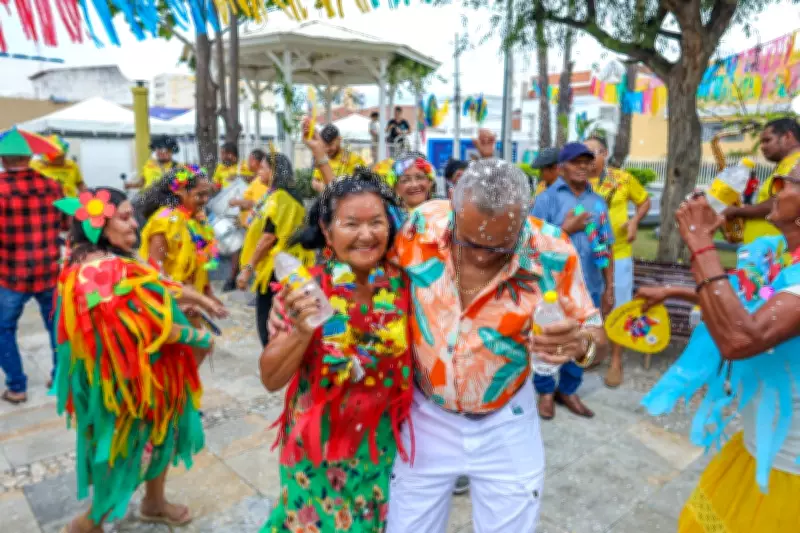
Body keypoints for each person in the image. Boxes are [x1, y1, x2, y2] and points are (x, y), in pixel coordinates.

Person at [305, 131, 606, 529]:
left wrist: (580, 347)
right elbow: (361, 260)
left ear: (525, 218)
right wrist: (308, 300)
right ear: (453, 209)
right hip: (424, 416)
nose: (481, 257)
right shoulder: (421, 227)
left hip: (507, 421)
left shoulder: (552, 250)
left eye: (498, 247)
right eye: (468, 242)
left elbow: (594, 338)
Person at [52, 187, 226, 533]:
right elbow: (150, 327)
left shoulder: (113, 261)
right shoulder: (99, 270)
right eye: (125, 218)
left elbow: (157, 289)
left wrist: (198, 304)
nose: (136, 225)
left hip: (151, 376)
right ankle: (88, 523)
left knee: (163, 435)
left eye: (134, 216)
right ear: (99, 224)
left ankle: (154, 502)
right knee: (125, 451)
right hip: (128, 385)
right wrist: (199, 336)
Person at [638, 162, 800, 532]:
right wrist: (674, 291)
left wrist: (699, 242)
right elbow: (737, 302)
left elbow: (741, 337)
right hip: (758, 444)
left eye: (782, 183)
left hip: (789, 466)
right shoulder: (777, 253)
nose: (772, 191)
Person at [259, 169, 413, 533]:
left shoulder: (404, 282)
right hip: (319, 450)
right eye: (350, 224)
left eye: (376, 222)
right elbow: (270, 378)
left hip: (381, 446)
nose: (366, 235)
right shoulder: (305, 289)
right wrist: (301, 329)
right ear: (327, 231)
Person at [531, 142, 615, 420]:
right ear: (562, 167)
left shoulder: (598, 202)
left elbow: (607, 246)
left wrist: (609, 288)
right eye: (575, 162)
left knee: (586, 339)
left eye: (586, 162)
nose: (582, 166)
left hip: (590, 288)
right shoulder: (546, 200)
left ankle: (568, 389)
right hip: (551, 290)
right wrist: (565, 229)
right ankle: (545, 391)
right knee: (548, 338)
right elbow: (530, 244)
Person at [585, 136, 651, 388]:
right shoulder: (577, 183)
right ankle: (595, 352)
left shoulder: (622, 179)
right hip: (587, 255)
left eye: (592, 152)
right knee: (591, 306)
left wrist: (634, 221)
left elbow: (644, 201)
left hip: (619, 253)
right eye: (583, 153)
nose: (587, 158)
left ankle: (615, 360)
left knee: (619, 306)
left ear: (605, 153)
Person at [0, 151, 64, 404]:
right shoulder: (53, 186)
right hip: (48, 270)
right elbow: (66, 224)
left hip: (10, 274)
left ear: (5, 159)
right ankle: (60, 378)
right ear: (28, 157)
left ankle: (17, 387)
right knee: (57, 326)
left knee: (4, 329)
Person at [237, 152, 313, 346]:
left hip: (275, 270)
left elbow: (269, 236)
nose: (259, 172)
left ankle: (274, 366)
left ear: (274, 172)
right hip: (287, 266)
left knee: (268, 325)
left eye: (263, 168)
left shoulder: (279, 197)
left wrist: (248, 269)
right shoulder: (284, 195)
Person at [136, 167, 219, 298]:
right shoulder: (164, 220)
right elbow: (155, 267)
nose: (206, 200)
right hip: (170, 303)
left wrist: (208, 295)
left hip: (193, 300)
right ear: (180, 191)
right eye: (200, 194)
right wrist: (178, 297)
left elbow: (202, 262)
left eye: (207, 194)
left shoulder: (197, 220)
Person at [723, 118, 800, 244]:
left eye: (767, 140)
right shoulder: (785, 165)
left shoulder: (797, 164)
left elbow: (778, 204)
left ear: (787, 136)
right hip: (764, 253)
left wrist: (736, 210)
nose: (762, 147)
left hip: (777, 256)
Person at [311, 124, 366, 193]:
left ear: (339, 139)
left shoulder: (354, 159)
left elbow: (365, 184)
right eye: (324, 146)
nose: (327, 149)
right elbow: (315, 180)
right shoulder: (323, 159)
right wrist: (320, 186)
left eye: (330, 145)